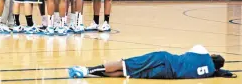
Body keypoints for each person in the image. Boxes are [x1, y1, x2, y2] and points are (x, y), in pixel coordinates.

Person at [68, 45, 233, 79]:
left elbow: (188, 52)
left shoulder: (203, 51)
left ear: (213, 56)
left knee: (124, 63)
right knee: (127, 73)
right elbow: (219, 72)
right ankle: (87, 72)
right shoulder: (210, 72)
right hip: (167, 74)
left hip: (166, 59)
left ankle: (86, 69)